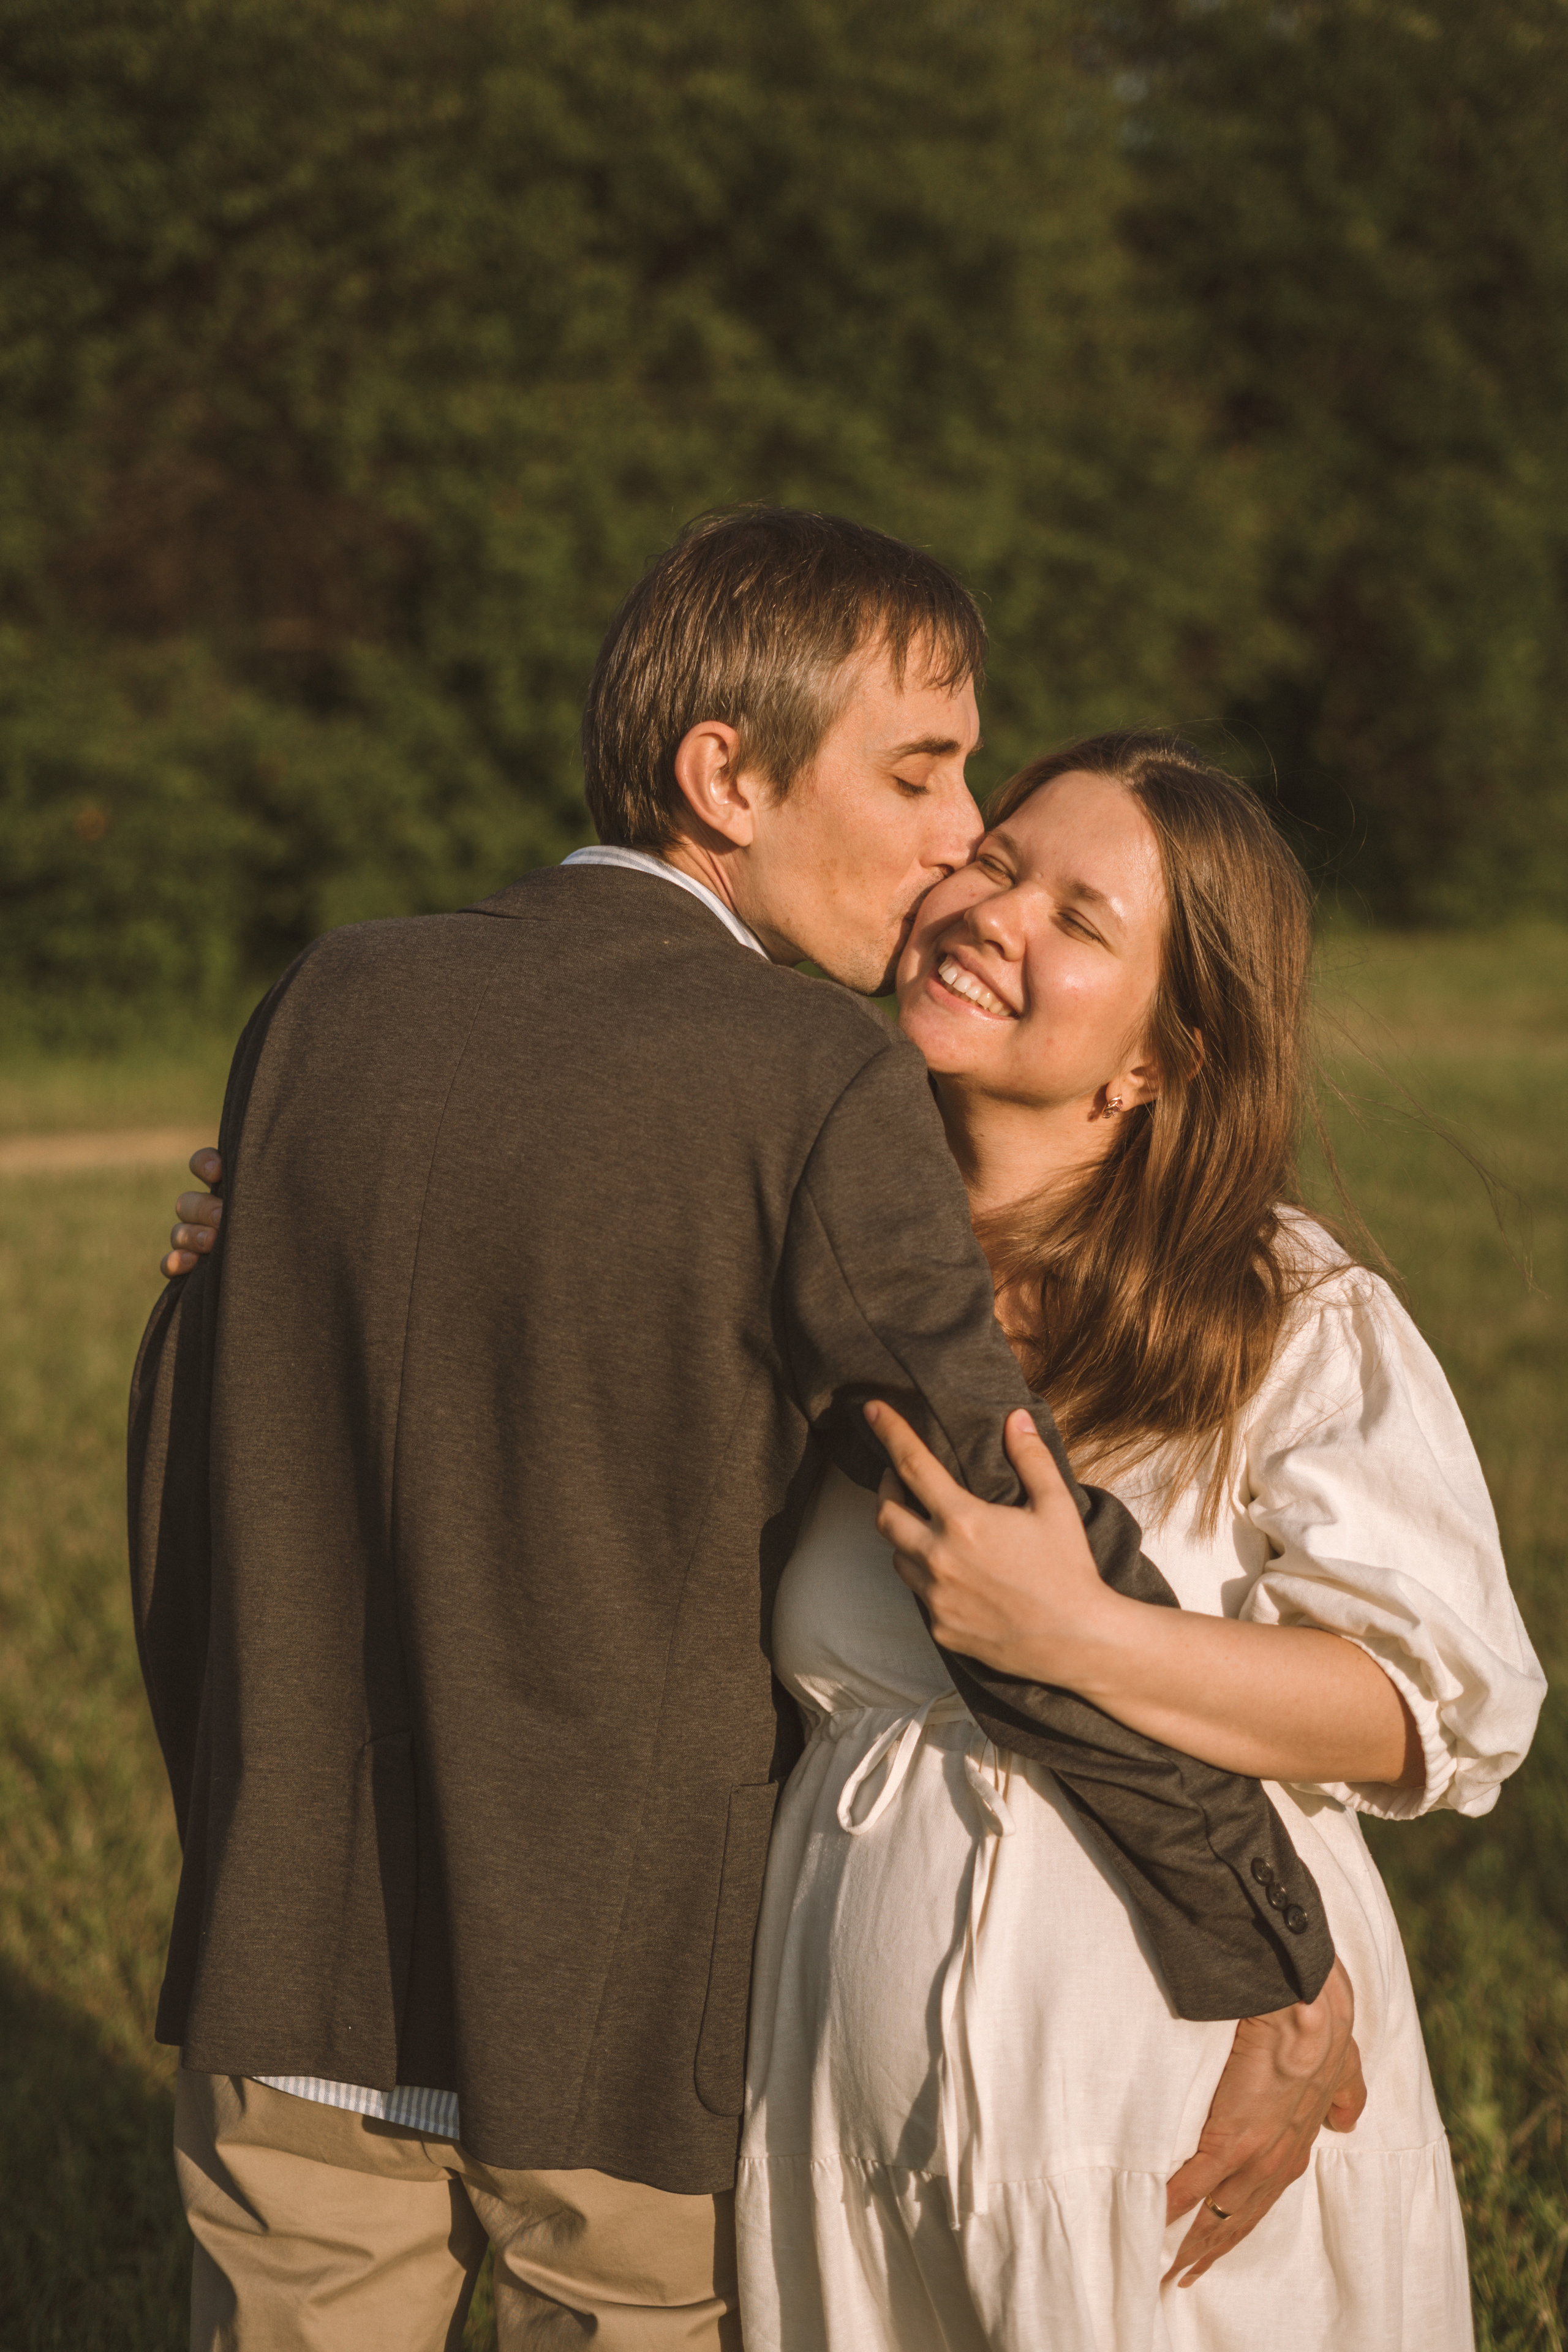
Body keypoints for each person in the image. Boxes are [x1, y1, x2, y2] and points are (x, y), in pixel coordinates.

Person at [134, 508, 1356, 2352]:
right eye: (922, 771)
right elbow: (996, 1520)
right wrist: (1267, 1935)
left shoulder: (331, 997)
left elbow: (185, 1487)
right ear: (730, 774)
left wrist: (240, 1813)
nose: (959, 838)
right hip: (616, 2013)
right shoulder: (806, 1069)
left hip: (286, 1942)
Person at [734, 734, 1545, 2350]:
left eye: (1078, 917)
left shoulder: (1285, 1313)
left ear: (1160, 1062)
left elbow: (1425, 1706)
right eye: (999, 862)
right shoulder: (800, 1263)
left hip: (1175, 2114)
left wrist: (1082, 1633)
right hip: (848, 2118)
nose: (994, 911)